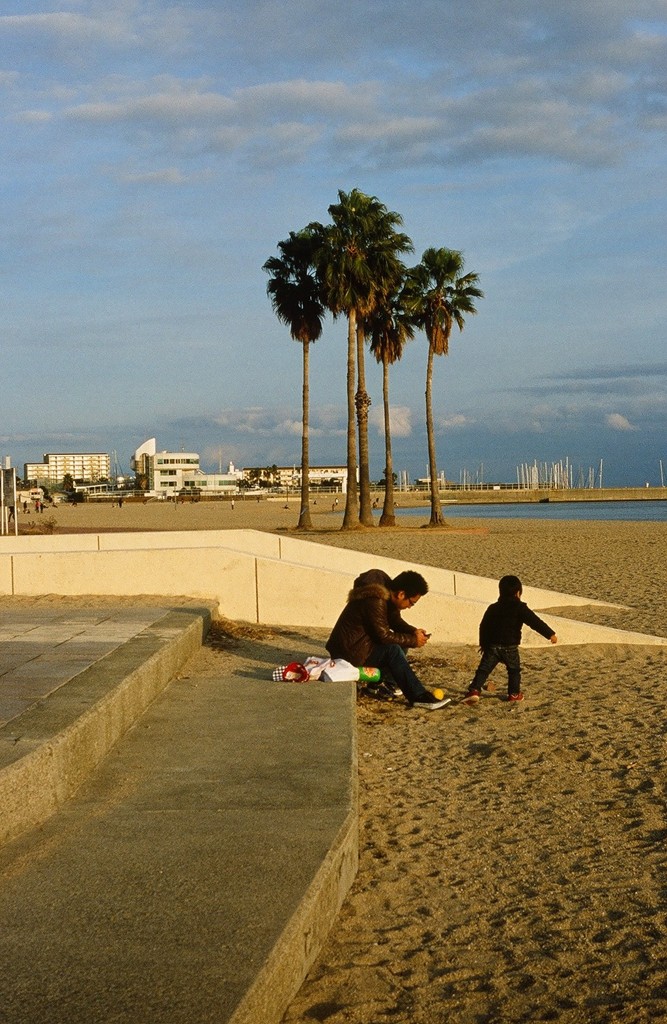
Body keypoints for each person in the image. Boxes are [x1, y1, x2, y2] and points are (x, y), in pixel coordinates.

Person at [326, 568, 449, 710]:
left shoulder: (385, 595)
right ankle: (418, 696)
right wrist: (414, 641)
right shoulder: (376, 600)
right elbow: (383, 636)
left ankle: (379, 685)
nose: (410, 607)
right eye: (411, 603)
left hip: (357, 646)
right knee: (393, 649)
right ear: (401, 594)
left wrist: (413, 632)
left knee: (402, 642)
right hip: (349, 653)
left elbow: (394, 620)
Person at [466, 574, 557, 704]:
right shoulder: (520, 608)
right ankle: (514, 694)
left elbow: (484, 626)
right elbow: (535, 622)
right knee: (514, 671)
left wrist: (483, 644)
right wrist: (550, 634)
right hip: (510, 647)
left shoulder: (493, 608)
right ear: (518, 593)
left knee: (484, 669)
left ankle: (474, 690)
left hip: (493, 646)